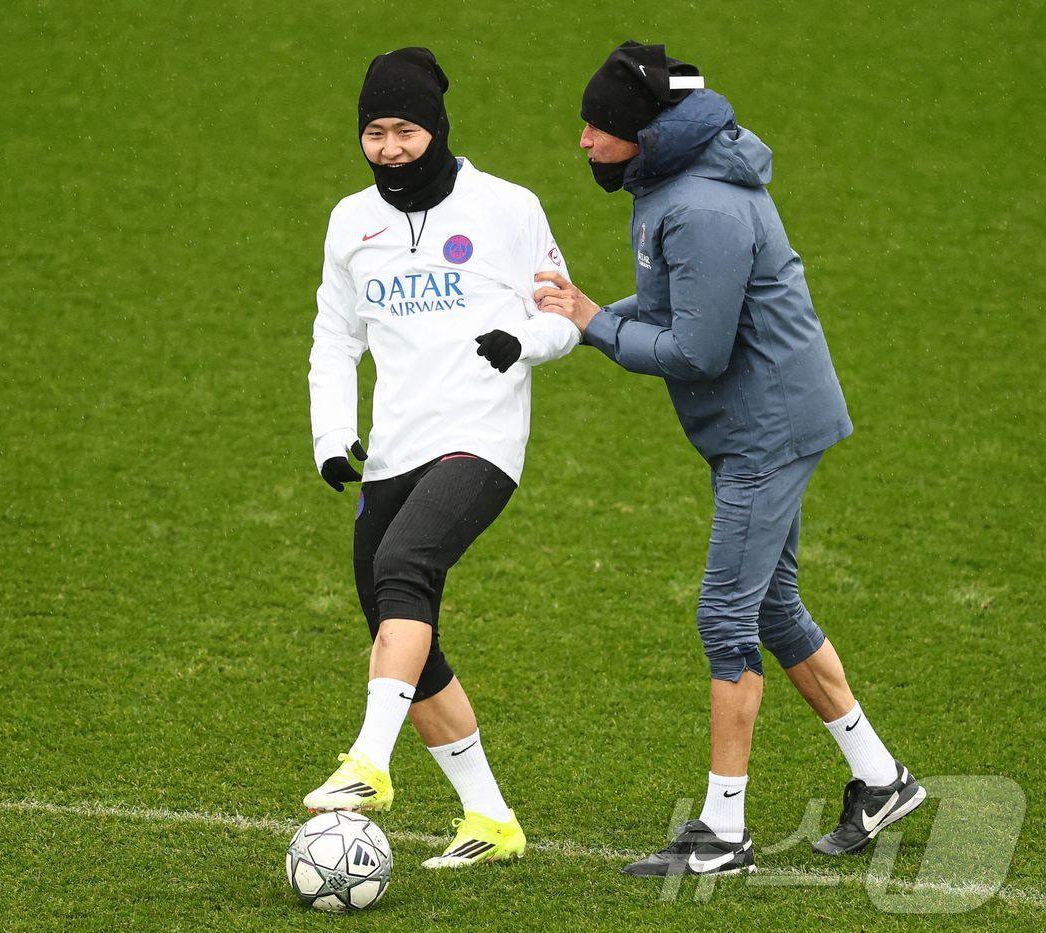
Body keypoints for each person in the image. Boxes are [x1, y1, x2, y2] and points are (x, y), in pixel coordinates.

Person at [535, 40, 925, 876]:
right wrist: (591, 310)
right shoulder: (672, 185)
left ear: (642, 131)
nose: (584, 142)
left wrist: (596, 326)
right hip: (763, 421)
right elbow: (679, 298)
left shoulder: (701, 206)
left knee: (725, 615)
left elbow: (696, 348)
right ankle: (881, 778)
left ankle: (722, 832)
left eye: (599, 127)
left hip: (766, 432)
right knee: (773, 604)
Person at [304, 47, 581, 868]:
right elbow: (333, 339)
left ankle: (368, 764)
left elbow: (566, 317)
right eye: (375, 132)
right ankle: (490, 819)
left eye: (407, 130)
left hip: (480, 437)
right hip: (394, 446)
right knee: (406, 632)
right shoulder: (350, 221)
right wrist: (330, 436)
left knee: (405, 564)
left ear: (439, 127)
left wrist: (519, 340)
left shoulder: (508, 207)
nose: (390, 149)